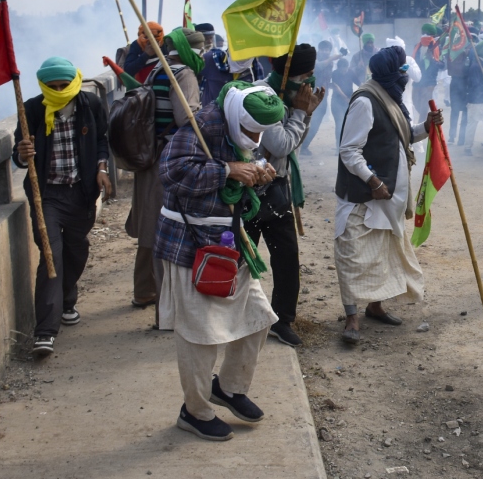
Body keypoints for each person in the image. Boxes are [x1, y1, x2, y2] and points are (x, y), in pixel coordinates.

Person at [155, 80, 285, 442]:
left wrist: (257, 174)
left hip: (230, 240)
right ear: (236, 114)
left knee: (259, 317)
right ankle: (194, 411)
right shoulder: (205, 124)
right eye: (249, 128)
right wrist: (227, 170)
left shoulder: (243, 132)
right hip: (190, 242)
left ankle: (228, 387)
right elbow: (171, 172)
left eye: (260, 132)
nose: (253, 136)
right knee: (200, 334)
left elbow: (239, 178)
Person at [334, 44, 442, 344]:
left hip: (389, 196)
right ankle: (352, 318)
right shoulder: (366, 101)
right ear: (391, 74)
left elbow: (405, 134)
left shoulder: (389, 97)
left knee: (383, 253)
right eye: (401, 72)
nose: (405, 77)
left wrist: (428, 127)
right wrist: (373, 181)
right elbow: (349, 150)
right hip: (364, 195)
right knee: (352, 254)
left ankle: (375, 307)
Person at [15, 58, 112, 356]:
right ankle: (45, 331)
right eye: (52, 87)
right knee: (50, 255)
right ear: (43, 86)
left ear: (74, 82)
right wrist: (22, 152)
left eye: (63, 85)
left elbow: (101, 140)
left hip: (81, 193)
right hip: (47, 195)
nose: (59, 91)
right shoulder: (31, 109)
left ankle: (67, 299)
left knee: (76, 249)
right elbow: (18, 155)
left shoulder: (90, 105)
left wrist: (101, 168)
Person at [249, 47, 325, 347]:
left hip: (278, 186)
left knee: (287, 259)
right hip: (252, 191)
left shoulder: (288, 97)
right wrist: (299, 112)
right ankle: (234, 317)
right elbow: (279, 144)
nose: (308, 81)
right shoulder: (263, 96)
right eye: (304, 76)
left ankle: (282, 320)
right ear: (286, 74)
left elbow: (294, 145)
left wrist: (304, 115)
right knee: (245, 260)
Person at [126, 27, 203, 311]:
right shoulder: (183, 73)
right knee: (164, 228)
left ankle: (143, 290)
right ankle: (165, 309)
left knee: (148, 222)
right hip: (167, 159)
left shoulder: (158, 67)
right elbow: (187, 118)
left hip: (148, 154)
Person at [299, 40, 341, 155]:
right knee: (308, 121)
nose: (325, 52)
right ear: (319, 49)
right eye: (323, 49)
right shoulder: (314, 59)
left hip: (323, 96)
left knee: (316, 123)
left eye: (327, 50)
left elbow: (327, 78)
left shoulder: (330, 63)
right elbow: (318, 67)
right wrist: (332, 58)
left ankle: (304, 146)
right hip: (311, 95)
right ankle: (300, 146)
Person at [462, 41, 483, 156]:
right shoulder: (477, 66)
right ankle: (467, 147)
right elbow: (477, 84)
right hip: (477, 100)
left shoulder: (482, 63)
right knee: (472, 124)